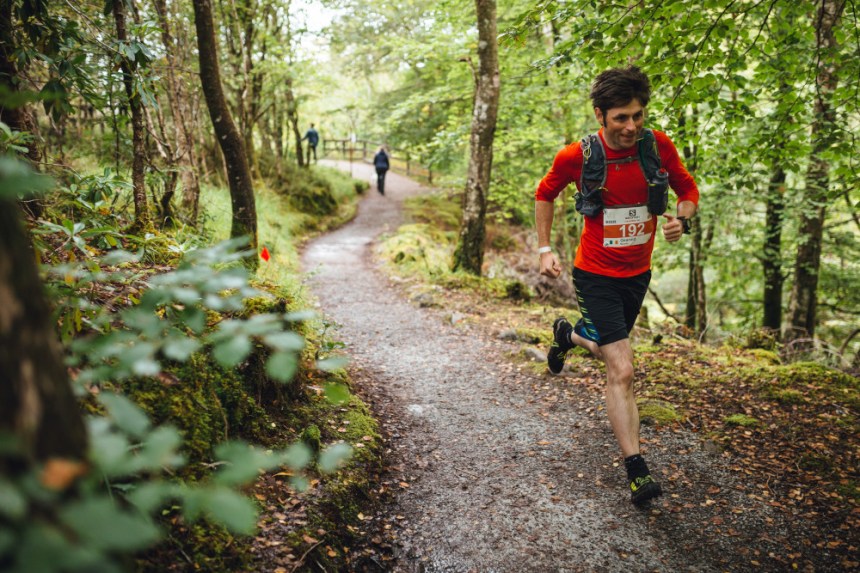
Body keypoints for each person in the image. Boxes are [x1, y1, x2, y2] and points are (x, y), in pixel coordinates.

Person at [534, 66, 699, 505]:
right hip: (594, 274)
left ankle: (567, 335)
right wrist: (544, 249)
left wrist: (681, 219)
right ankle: (637, 472)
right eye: (621, 118)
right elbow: (544, 193)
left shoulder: (657, 146)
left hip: (637, 274)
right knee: (622, 368)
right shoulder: (577, 156)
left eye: (638, 115)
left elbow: (688, 190)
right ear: (600, 115)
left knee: (610, 350)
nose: (631, 126)